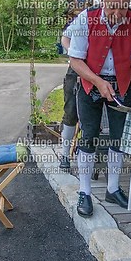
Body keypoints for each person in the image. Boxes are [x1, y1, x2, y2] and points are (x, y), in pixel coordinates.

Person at [65, 0, 131, 217]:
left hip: (122, 85)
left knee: (118, 140)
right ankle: (84, 192)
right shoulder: (86, 18)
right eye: (112, 6)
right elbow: (75, 61)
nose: (117, 13)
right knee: (89, 137)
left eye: (123, 6)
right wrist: (98, 81)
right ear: (103, 0)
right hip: (89, 84)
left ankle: (112, 189)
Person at [58, 32, 78, 169]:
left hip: (101, 71)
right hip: (76, 68)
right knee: (71, 111)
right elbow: (65, 37)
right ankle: (65, 155)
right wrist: (74, 53)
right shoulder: (83, 18)